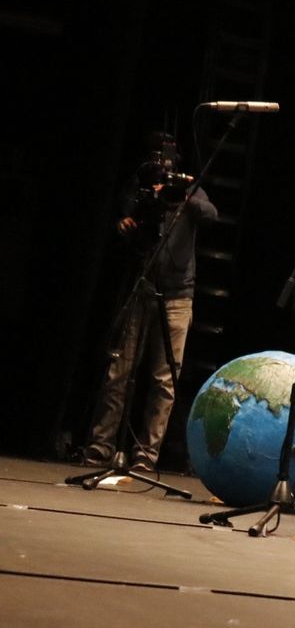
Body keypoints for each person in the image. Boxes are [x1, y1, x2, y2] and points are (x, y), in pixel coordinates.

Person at [82, 133, 218, 472]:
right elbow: (125, 215)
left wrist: (182, 193)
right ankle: (100, 449)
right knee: (119, 372)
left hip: (177, 297)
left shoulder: (189, 189)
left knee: (164, 381)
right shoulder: (141, 188)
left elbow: (210, 214)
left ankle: (146, 455)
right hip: (140, 288)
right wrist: (127, 221)